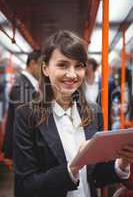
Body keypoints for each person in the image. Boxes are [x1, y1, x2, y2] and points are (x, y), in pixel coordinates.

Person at [13, 30, 133, 197]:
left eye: (79, 66)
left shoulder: (93, 112)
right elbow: (26, 186)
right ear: (46, 68)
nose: (72, 74)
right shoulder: (26, 116)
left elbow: (95, 175)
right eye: (63, 65)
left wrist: (121, 163)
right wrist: (73, 167)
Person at [3, 50, 42, 159]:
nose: (44, 70)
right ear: (33, 63)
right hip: (22, 149)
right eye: (42, 65)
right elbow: (26, 121)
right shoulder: (21, 86)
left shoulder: (28, 84)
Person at [83, 58, 116, 129]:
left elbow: (113, 101)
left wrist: (112, 115)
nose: (82, 68)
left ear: (91, 66)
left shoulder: (108, 83)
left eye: (84, 65)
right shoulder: (79, 84)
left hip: (103, 122)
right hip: (84, 123)